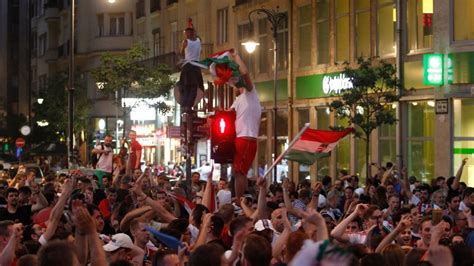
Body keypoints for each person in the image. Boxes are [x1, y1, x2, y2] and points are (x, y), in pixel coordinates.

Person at [228, 51, 262, 200]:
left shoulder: (250, 93)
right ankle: (242, 197)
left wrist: (237, 57)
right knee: (237, 171)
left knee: (239, 171)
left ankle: (239, 200)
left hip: (246, 139)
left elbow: (246, 74)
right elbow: (228, 116)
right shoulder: (238, 100)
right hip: (239, 139)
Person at [176, 18, 204, 110]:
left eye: (186, 32)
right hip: (196, 66)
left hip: (188, 66)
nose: (185, 34)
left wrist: (180, 57)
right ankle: (188, 105)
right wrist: (192, 25)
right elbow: (200, 50)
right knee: (194, 86)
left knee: (186, 85)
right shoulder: (199, 40)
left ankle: (186, 105)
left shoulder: (185, 42)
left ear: (188, 33)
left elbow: (181, 54)